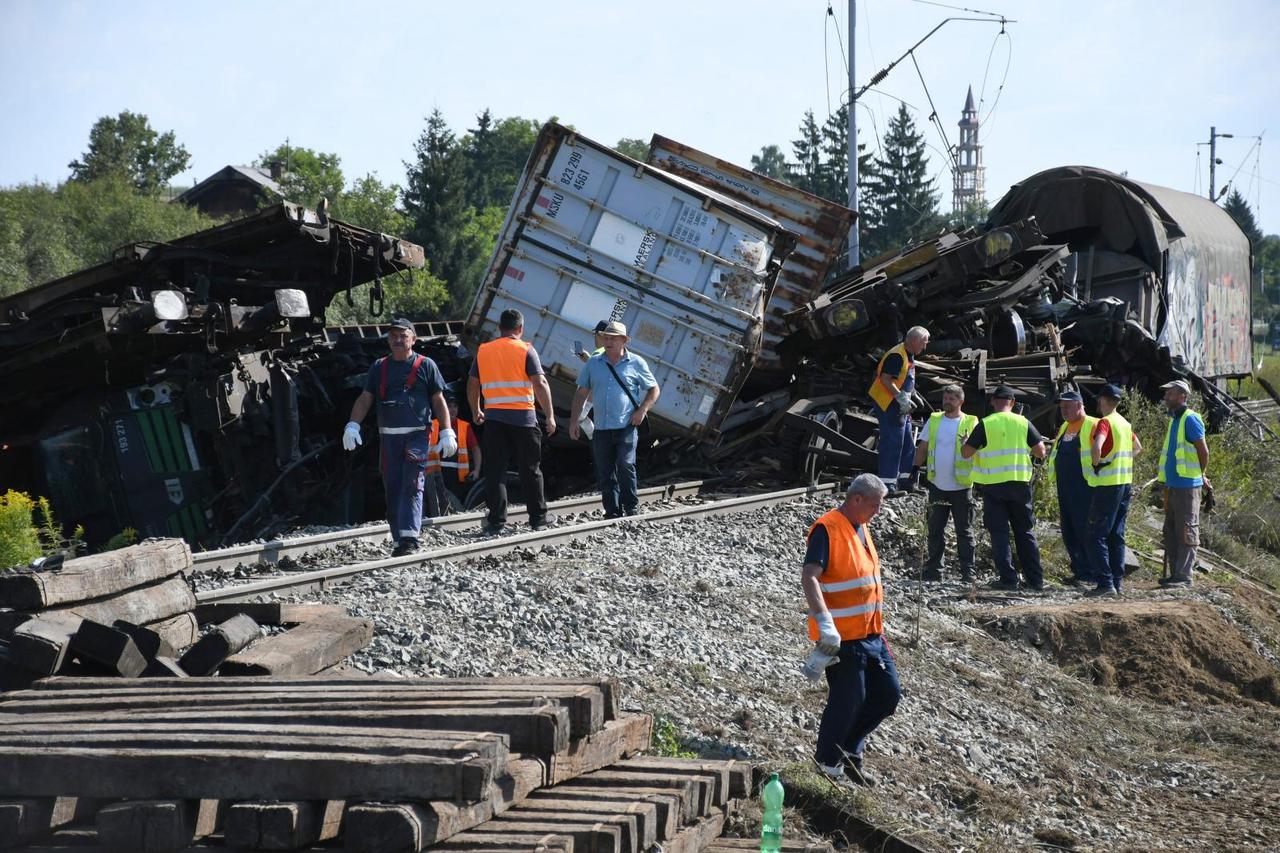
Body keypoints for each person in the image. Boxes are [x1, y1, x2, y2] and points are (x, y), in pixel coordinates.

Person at [802, 473, 901, 788]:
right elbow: (810, 577)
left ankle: (848, 750)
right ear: (856, 499)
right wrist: (824, 621)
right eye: (874, 505)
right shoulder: (827, 530)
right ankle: (827, 762)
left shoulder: (862, 527)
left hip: (872, 634)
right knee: (849, 699)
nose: (878, 512)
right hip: (843, 637)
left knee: (887, 695)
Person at [343, 318, 453, 556]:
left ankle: (410, 538)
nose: (397, 340)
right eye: (393, 336)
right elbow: (365, 398)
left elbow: (438, 400)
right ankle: (398, 538)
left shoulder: (426, 365)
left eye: (402, 335)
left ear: (413, 339)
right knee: (392, 487)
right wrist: (352, 425)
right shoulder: (379, 367)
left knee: (412, 485)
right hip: (389, 438)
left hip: (416, 436)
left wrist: (446, 430)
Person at [467, 309, 557, 534]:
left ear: (500, 328)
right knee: (531, 469)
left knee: (495, 471)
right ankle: (538, 518)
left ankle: (496, 522)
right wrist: (551, 416)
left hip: (495, 419)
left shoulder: (484, 351)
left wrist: (476, 409)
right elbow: (540, 384)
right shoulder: (526, 349)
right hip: (523, 420)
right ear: (521, 329)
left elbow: (472, 384)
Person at [569, 321, 660, 518]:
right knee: (605, 470)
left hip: (626, 425)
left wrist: (642, 410)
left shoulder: (636, 362)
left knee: (626, 464)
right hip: (601, 427)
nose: (608, 342)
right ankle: (612, 510)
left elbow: (654, 389)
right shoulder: (594, 363)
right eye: (606, 338)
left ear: (624, 341)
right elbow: (581, 393)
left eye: (613, 338)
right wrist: (574, 421)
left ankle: (631, 507)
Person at [961, 385, 1048, 591]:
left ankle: (1008, 579)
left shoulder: (985, 424)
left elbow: (966, 453)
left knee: (999, 533)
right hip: (1019, 485)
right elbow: (1040, 451)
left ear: (993, 402)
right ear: (1013, 403)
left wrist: (965, 442)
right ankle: (1036, 581)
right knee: (1024, 532)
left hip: (994, 487)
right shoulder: (1023, 422)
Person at [912, 384, 979, 582]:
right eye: (945, 398)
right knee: (934, 530)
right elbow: (923, 447)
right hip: (937, 485)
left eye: (951, 399)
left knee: (964, 532)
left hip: (961, 487)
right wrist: (915, 469)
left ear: (960, 401)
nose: (947, 402)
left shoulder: (971, 422)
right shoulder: (934, 421)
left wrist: (969, 443)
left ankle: (968, 573)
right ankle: (934, 571)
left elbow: (979, 450)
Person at [1084, 384, 1142, 597]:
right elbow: (1138, 448)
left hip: (1107, 485)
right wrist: (1120, 461)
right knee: (1116, 534)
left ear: (1102, 401)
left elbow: (1097, 446)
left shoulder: (1105, 422)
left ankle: (1105, 583)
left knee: (1095, 535)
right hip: (1124, 484)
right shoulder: (1125, 424)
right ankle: (1117, 583)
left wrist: (1097, 463)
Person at [1157, 379, 1209, 588]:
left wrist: (1200, 474)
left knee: (1187, 530)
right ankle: (1175, 574)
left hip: (1187, 486)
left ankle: (1184, 576)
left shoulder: (1190, 419)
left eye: (1169, 393)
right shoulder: (1174, 420)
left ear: (1182, 396)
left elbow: (1203, 451)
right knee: (1171, 530)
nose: (1165, 397)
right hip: (1173, 485)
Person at [868, 326, 930, 494]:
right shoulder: (897, 355)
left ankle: (906, 481)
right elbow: (886, 379)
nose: (925, 347)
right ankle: (887, 486)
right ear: (914, 340)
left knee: (908, 444)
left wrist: (912, 394)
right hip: (889, 404)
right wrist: (901, 397)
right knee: (893, 443)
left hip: (900, 405)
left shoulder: (908, 354)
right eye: (923, 343)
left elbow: (903, 377)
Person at [1045, 390, 1097, 587]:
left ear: (1079, 405)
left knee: (1085, 530)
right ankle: (1079, 570)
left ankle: (1091, 573)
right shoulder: (1066, 426)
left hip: (1086, 488)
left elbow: (1130, 445)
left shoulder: (1093, 424)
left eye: (1067, 406)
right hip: (1065, 488)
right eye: (1061, 406)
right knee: (1069, 531)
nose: (1063, 410)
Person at [424, 393, 481, 515]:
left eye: (455, 406)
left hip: (458, 478)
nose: (453, 409)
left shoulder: (464, 426)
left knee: (455, 508)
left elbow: (475, 449)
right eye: (449, 406)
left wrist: (477, 470)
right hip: (437, 474)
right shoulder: (433, 425)